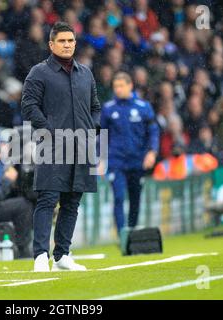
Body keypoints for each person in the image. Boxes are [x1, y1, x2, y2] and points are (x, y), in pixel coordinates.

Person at [21, 22, 101, 272]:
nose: (67, 45)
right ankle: (40, 256)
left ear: (75, 43)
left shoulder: (85, 73)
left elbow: (95, 107)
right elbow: (29, 106)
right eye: (62, 41)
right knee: (47, 198)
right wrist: (49, 132)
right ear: (51, 44)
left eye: (71, 40)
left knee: (72, 200)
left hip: (82, 145)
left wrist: (92, 129)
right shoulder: (39, 72)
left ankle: (62, 255)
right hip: (51, 146)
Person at [99, 72, 159, 235]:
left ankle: (132, 232)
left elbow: (153, 132)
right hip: (116, 161)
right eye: (115, 87)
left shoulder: (143, 107)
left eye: (121, 86)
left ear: (130, 86)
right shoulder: (108, 108)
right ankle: (123, 235)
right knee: (118, 197)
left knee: (135, 199)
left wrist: (152, 152)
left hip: (137, 161)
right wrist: (101, 160)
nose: (118, 90)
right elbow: (102, 135)